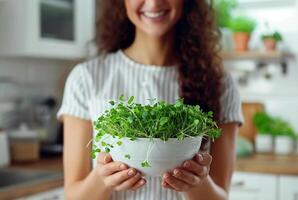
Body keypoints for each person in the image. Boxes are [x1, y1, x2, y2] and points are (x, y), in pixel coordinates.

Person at [57, 0, 244, 199]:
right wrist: (101, 180)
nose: (154, 3)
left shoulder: (220, 84)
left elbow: (221, 195)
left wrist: (195, 182)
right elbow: (73, 195)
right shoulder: (86, 78)